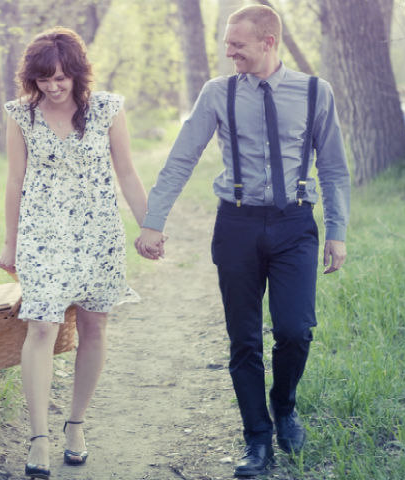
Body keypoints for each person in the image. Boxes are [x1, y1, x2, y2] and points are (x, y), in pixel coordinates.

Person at [135, 5, 350, 477]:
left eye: (238, 45)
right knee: (244, 340)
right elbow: (181, 158)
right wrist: (154, 220)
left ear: (269, 41)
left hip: (295, 225)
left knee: (295, 330)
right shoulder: (217, 93)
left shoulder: (316, 92)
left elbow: (332, 167)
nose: (229, 52)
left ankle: (284, 407)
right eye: (227, 44)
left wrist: (337, 231)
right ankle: (257, 439)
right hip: (237, 226)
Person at [0, 27, 148, 480]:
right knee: (42, 325)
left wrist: (151, 226)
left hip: (98, 232)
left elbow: (127, 171)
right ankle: (39, 436)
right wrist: (9, 241)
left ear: (78, 73)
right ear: (33, 79)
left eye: (62, 77)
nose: (54, 86)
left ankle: (76, 425)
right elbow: (14, 181)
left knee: (93, 325)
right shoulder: (21, 115)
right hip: (42, 233)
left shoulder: (106, 109)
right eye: (44, 79)